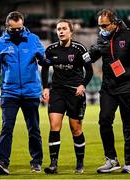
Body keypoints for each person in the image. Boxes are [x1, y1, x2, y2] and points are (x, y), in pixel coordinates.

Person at [89, 8, 130, 174]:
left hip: (127, 85)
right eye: (99, 25)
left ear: (114, 23)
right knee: (104, 121)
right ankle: (111, 159)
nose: (102, 29)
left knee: (129, 125)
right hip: (108, 87)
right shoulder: (102, 36)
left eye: (105, 25)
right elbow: (95, 56)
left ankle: (129, 163)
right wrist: (92, 52)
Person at [0, 11, 45, 175]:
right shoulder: (0, 44)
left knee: (34, 129)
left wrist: (47, 59)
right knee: (7, 128)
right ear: (7, 27)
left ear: (23, 25)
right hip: (9, 93)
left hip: (31, 92)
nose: (18, 31)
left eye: (20, 28)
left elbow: (45, 60)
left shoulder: (33, 39)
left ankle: (36, 162)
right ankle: (2, 162)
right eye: (14, 29)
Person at [41, 19, 93, 174]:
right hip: (57, 92)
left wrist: (83, 85)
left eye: (64, 29)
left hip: (75, 92)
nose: (61, 31)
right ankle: (53, 164)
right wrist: (45, 87)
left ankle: (80, 163)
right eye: (58, 29)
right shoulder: (50, 49)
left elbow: (89, 70)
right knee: (54, 125)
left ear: (71, 31)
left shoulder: (80, 49)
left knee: (75, 129)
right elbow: (44, 69)